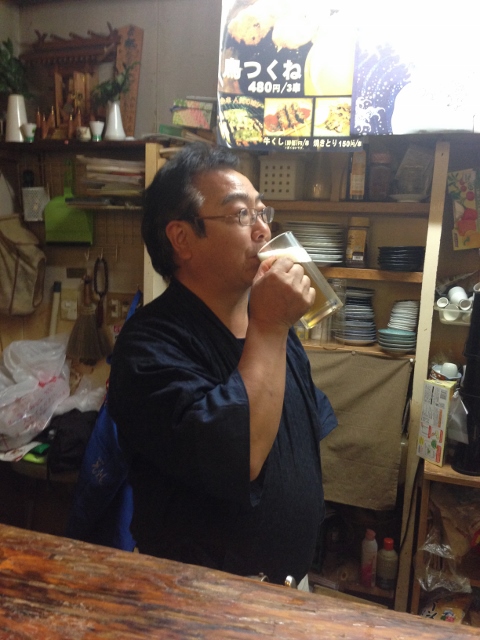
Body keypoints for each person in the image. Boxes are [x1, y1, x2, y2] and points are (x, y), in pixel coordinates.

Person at [108, 142, 337, 586]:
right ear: (182, 239)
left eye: (262, 212)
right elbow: (239, 454)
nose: (263, 229)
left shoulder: (272, 328)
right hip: (197, 594)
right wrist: (270, 324)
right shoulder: (148, 345)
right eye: (240, 214)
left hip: (288, 586)